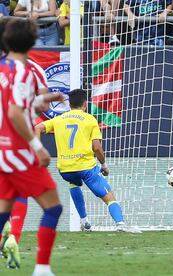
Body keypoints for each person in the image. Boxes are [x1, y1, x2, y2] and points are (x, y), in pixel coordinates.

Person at [0, 18, 63, 275]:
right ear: (32, 42)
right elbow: (16, 112)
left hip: (3, 150)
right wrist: (37, 145)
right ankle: (42, 268)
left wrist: (46, 97)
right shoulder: (24, 70)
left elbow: (21, 103)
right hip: (18, 151)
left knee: (3, 211)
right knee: (53, 207)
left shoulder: (3, 68)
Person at [36, 89, 138, 233]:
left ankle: (85, 222)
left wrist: (37, 150)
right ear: (85, 103)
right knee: (108, 196)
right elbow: (97, 147)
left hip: (65, 169)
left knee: (73, 182)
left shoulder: (58, 120)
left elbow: (37, 128)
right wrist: (104, 165)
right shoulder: (90, 119)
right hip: (86, 168)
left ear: (69, 104)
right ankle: (120, 223)